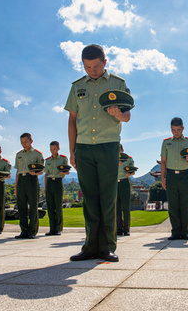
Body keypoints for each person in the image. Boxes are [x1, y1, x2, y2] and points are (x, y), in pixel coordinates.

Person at [65, 44, 131, 262]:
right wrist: (72, 150)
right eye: (87, 67)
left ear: (105, 61)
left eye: (95, 66)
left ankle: (107, 247)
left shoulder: (117, 84)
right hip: (83, 147)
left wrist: (117, 114)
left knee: (108, 198)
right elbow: (72, 120)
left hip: (108, 145)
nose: (92, 70)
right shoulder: (77, 87)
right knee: (90, 199)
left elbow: (127, 116)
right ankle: (90, 246)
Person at [161, 117, 188, 241]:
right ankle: (175, 231)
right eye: (173, 130)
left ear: (183, 128)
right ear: (170, 129)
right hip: (171, 175)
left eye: (178, 130)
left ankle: (185, 231)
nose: (176, 132)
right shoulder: (166, 143)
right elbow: (163, 161)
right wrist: (163, 178)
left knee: (185, 203)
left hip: (185, 175)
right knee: (173, 204)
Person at [14, 133, 43, 239]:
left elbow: (42, 170)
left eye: (26, 142)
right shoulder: (19, 155)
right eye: (21, 142)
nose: (23, 144)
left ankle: (32, 231)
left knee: (33, 206)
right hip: (21, 179)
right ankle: (24, 230)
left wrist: (36, 174)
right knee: (21, 206)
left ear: (31, 141)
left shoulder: (37, 154)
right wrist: (16, 186)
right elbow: (17, 171)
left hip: (32, 179)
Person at [44, 141, 69, 236]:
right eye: (51, 149)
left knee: (58, 206)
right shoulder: (48, 161)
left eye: (54, 149)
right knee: (50, 207)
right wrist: (45, 187)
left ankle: (58, 228)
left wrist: (63, 173)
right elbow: (46, 174)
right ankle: (52, 229)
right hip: (50, 182)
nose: (52, 151)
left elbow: (67, 172)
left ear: (58, 148)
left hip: (58, 182)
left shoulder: (63, 159)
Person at [117, 144, 135, 236]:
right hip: (114, 183)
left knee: (126, 207)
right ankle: (118, 229)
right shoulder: (110, 158)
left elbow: (133, 170)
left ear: (122, 150)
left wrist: (130, 173)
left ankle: (126, 229)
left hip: (124, 183)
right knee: (116, 208)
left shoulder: (128, 159)